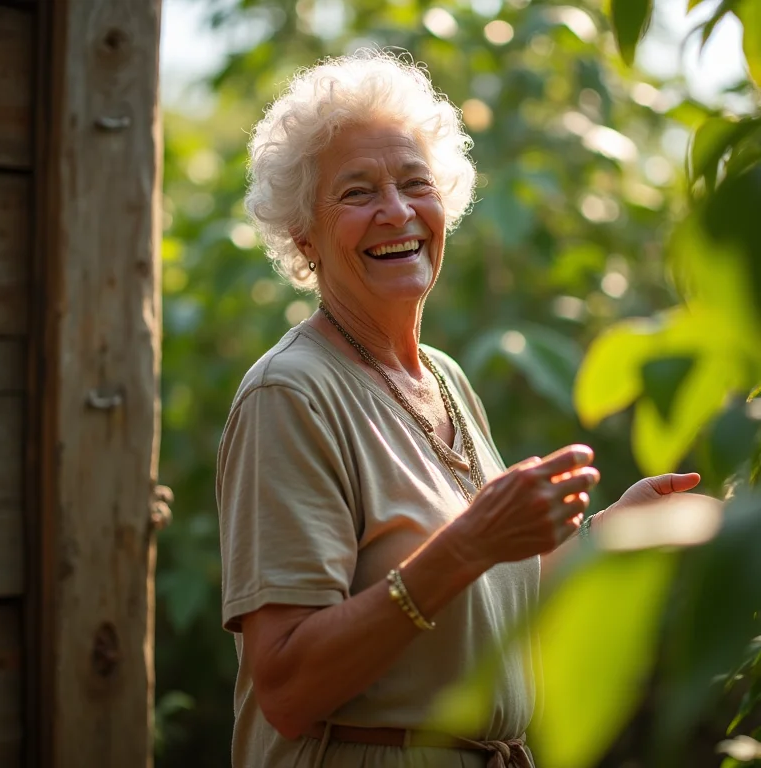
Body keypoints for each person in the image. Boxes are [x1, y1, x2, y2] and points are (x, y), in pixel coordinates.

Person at [216, 50, 700, 768]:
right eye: (357, 192)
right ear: (302, 236)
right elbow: (286, 687)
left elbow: (489, 602)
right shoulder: (291, 394)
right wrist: (469, 541)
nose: (398, 211)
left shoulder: (442, 377)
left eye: (417, 183)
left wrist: (607, 537)